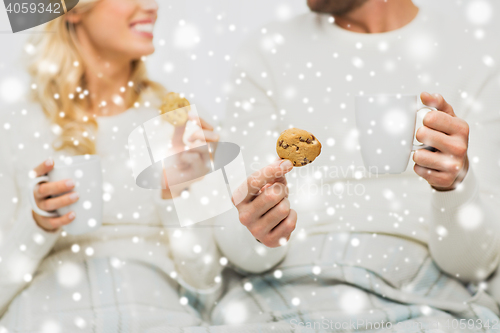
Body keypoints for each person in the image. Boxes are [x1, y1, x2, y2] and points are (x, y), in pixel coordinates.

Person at [211, 0, 500, 330]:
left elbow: (474, 265)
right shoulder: (266, 52)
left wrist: (455, 187)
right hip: (289, 289)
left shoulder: (474, 56)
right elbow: (236, 242)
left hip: (424, 294)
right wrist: (260, 233)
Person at [0, 0, 223, 331]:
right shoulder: (14, 123)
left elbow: (208, 287)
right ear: (73, 8)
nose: (151, 6)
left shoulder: (181, 125)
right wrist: (38, 224)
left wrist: (175, 191)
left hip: (159, 318)